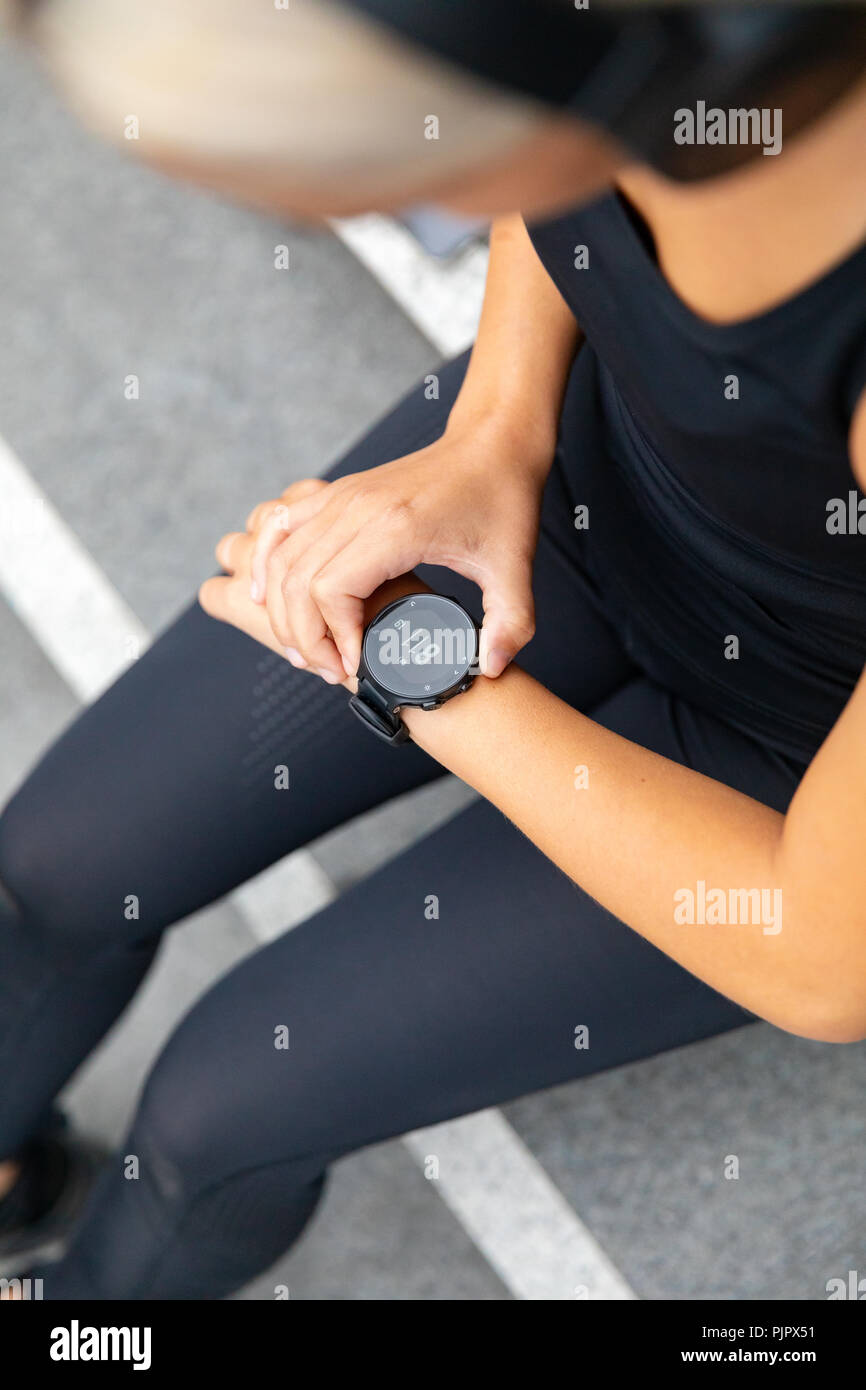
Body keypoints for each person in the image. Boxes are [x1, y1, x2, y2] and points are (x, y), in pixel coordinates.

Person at [1, 0, 865, 1298]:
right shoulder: (606, 50)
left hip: (787, 762)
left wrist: (425, 678)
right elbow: (563, 174)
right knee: (52, 869)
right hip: (568, 476)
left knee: (216, 1117)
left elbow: (821, 962)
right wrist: (492, 431)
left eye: (397, 196)